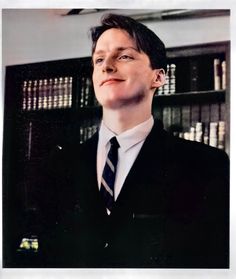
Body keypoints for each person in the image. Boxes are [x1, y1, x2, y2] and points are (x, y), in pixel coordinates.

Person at [38, 13, 229, 268]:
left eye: (124, 55)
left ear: (158, 77)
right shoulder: (56, 166)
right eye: (98, 59)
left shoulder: (207, 165)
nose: (107, 66)